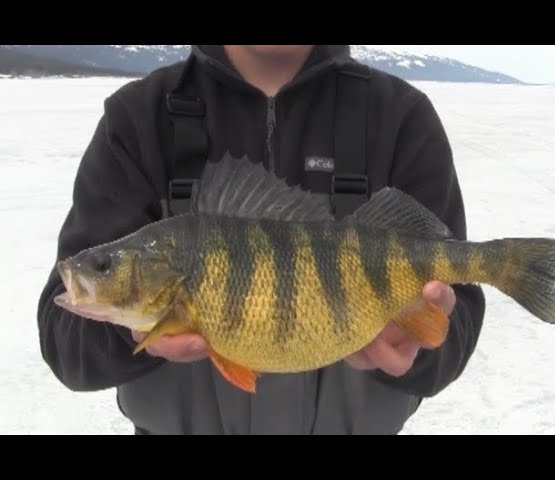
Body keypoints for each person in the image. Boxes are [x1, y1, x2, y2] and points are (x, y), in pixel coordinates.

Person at [37, 45, 486, 435]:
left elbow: (457, 312)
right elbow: (66, 342)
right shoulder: (138, 119)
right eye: (106, 266)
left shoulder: (401, 118)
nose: (96, 273)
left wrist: (418, 345)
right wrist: (136, 330)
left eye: (106, 266)